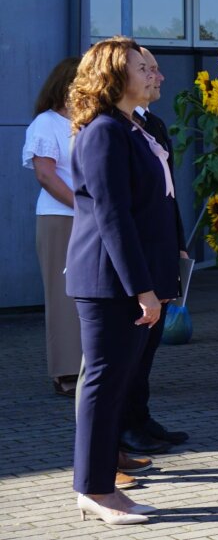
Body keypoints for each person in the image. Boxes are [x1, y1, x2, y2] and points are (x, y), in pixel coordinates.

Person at [66, 36, 177, 524]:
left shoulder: (130, 128)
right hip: (109, 282)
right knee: (104, 386)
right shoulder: (104, 131)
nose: (153, 74)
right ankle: (94, 489)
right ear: (114, 75)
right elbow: (113, 217)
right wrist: (143, 289)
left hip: (127, 279)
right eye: (142, 68)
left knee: (115, 387)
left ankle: (104, 487)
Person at [119, 48, 190, 456]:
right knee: (130, 348)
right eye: (148, 69)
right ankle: (125, 427)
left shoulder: (155, 124)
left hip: (162, 249)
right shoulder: (114, 128)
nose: (158, 77)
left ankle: (141, 416)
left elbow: (169, 194)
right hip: (137, 253)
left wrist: (178, 241)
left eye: (158, 69)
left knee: (149, 346)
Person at [23, 57, 81, 397]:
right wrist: (84, 207)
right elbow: (45, 175)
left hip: (90, 219)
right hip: (60, 218)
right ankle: (66, 371)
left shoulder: (89, 122)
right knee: (63, 296)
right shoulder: (46, 123)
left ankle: (90, 367)